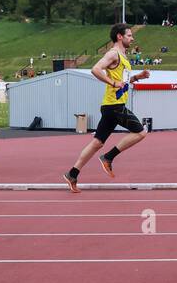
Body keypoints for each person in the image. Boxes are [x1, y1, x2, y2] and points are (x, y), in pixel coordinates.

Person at [63, 23, 150, 191]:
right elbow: (95, 69)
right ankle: (108, 158)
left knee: (97, 143)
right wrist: (112, 82)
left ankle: (72, 174)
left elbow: (122, 82)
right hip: (115, 106)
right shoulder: (113, 54)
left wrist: (137, 77)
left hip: (110, 106)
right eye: (130, 35)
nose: (133, 38)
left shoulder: (123, 57)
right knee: (141, 132)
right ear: (120, 36)